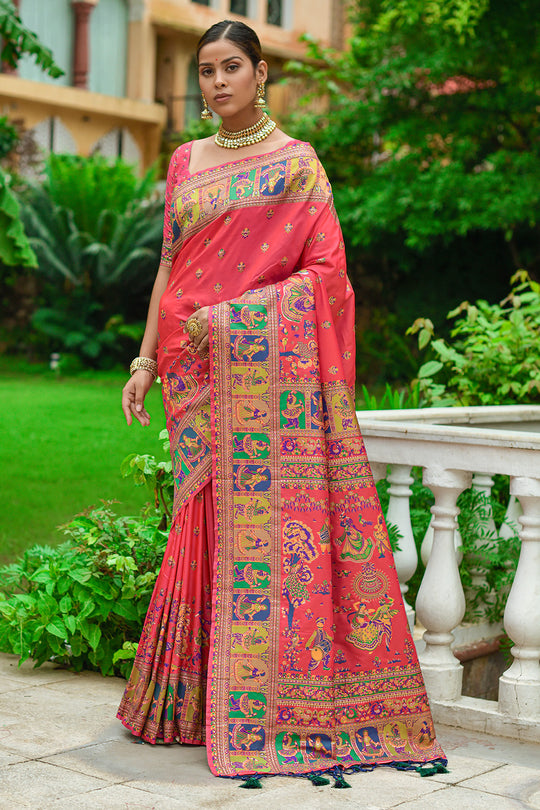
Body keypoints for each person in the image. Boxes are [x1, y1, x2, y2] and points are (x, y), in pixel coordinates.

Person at [117, 19, 447, 787]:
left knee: (246, 525)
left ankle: (237, 699)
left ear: (261, 73)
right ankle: (189, 699)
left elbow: (326, 276)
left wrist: (233, 321)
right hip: (188, 362)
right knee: (201, 520)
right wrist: (143, 359)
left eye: (232, 67)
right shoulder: (184, 161)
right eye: (205, 70)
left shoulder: (298, 167)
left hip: (252, 359)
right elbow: (168, 266)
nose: (217, 81)